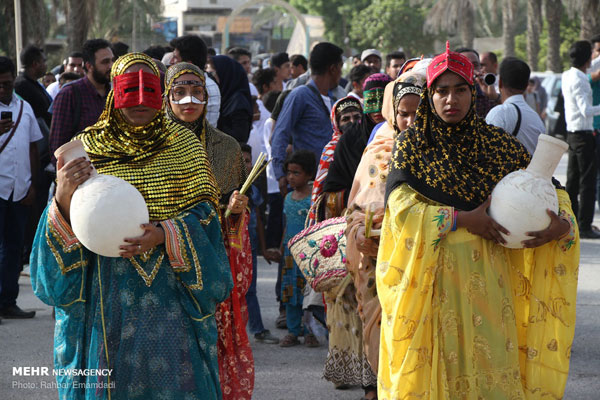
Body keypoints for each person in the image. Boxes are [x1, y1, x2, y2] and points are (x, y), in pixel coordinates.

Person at [377, 42, 579, 399]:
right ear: (430, 95)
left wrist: (560, 225)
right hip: (435, 283)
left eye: (460, 90)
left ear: (474, 93)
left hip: (491, 283)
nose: (450, 99)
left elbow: (549, 188)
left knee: (491, 370)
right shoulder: (412, 145)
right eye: (441, 91)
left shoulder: (497, 145)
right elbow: (400, 208)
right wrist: (460, 219)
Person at [30, 53, 233, 399]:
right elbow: (65, 222)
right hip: (103, 296)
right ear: (113, 92)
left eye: (150, 89)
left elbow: (208, 218)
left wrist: (165, 234)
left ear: (162, 91)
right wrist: (63, 193)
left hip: (172, 297)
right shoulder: (87, 148)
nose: (140, 100)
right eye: (129, 89)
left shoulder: (185, 147)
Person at [164, 62, 255, 399]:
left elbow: (234, 218)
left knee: (213, 342)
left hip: (212, 258)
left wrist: (234, 211)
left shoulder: (226, 147)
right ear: (167, 97)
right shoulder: (155, 148)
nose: (189, 99)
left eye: (197, 91)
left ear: (207, 96)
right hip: (166, 257)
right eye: (180, 91)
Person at [345, 69, 425, 376]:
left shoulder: (437, 153)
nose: (411, 122)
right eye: (404, 114)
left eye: (419, 114)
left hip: (420, 258)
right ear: (393, 113)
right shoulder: (378, 153)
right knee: (378, 329)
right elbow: (354, 208)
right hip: (377, 258)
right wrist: (358, 232)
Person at [271, 42, 343, 198]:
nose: (341, 73)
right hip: (307, 186)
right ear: (333, 68)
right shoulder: (300, 95)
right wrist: (280, 174)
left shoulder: (334, 98)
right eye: (340, 68)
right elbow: (280, 134)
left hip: (331, 183)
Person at [0, 56, 41, 320]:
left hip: (20, 190)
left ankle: (8, 301)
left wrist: (33, 185)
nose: (2, 89)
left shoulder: (25, 108)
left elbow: (33, 147)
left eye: (6, 83)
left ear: (14, 77)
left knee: (15, 247)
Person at [239, 144, 280, 344]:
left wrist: (263, 249)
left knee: (251, 288)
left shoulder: (253, 191)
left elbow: (257, 220)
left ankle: (257, 328)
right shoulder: (224, 189)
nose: (245, 165)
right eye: (241, 160)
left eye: (248, 161)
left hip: (250, 247)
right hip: (231, 247)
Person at [49, 39, 114, 163]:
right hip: (82, 176)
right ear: (89, 66)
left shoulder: (114, 93)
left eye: (112, 60)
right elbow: (58, 149)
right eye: (105, 62)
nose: (111, 66)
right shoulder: (70, 94)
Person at [277, 150, 317, 347]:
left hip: (309, 253)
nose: (290, 177)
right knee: (290, 292)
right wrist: (281, 246)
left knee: (308, 293)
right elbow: (286, 225)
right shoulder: (288, 198)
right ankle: (293, 331)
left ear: (309, 175)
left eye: (296, 173)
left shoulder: (313, 199)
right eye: (289, 172)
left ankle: (311, 331)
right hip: (290, 253)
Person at [562, 40, 600, 239]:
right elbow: (586, 110)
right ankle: (585, 225)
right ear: (587, 58)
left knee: (573, 181)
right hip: (584, 135)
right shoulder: (581, 79)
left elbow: (593, 65)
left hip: (572, 134)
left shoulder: (568, 75)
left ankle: (572, 221)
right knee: (587, 182)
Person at [308, 96, 362, 225]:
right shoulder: (331, 150)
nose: (352, 122)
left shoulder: (371, 143)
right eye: (346, 119)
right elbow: (320, 189)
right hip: (337, 214)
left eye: (357, 117)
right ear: (337, 123)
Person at [486, 57, 546, 155]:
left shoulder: (498, 113)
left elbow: (486, 151)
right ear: (526, 85)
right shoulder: (537, 119)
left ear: (500, 82)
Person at [170, 35, 221, 127]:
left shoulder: (203, 85)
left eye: (175, 58)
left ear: (188, 64)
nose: (171, 62)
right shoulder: (209, 83)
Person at [209, 55, 254, 143]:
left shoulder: (238, 103)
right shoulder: (225, 97)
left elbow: (239, 137)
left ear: (224, 74)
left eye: (212, 74)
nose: (211, 79)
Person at [14, 45, 52, 129]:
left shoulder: (34, 84)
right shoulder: (22, 86)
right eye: (44, 61)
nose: (46, 65)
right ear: (35, 64)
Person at [456, 47, 500, 118]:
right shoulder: (448, 96)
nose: (472, 71)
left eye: (475, 65)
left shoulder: (485, 94)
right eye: (465, 65)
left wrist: (495, 98)